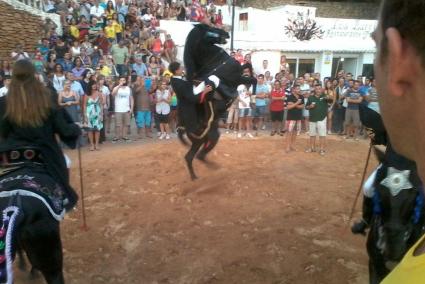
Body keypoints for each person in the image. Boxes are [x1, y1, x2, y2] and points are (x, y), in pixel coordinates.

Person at [372, 1, 425, 283]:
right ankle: (367, 220)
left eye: (374, 45)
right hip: (395, 162)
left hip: (405, 167)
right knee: (372, 187)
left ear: (397, 59)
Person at [0, 60, 81, 211]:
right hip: (44, 155)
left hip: (10, 158)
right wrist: (75, 128)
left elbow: (2, 133)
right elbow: (64, 130)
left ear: (13, 75)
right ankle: (62, 199)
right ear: (34, 75)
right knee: (63, 168)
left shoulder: (3, 102)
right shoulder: (47, 97)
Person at [168, 61, 215, 136]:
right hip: (188, 106)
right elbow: (192, 98)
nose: (182, 68)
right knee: (194, 129)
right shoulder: (179, 84)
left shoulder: (175, 79)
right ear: (176, 71)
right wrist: (204, 92)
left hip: (186, 102)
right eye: (180, 68)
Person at [305, 84, 328, 155]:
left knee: (322, 135)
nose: (318, 90)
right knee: (312, 134)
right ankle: (312, 148)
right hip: (312, 119)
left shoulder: (325, 97)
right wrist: (310, 106)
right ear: (315, 90)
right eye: (317, 89)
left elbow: (331, 99)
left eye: (319, 88)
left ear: (321, 89)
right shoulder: (310, 98)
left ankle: (322, 149)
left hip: (322, 118)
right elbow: (306, 107)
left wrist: (328, 96)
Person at [111, 76, 133, 142]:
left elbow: (131, 98)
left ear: (125, 81)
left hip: (126, 109)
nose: (122, 81)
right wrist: (119, 86)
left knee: (126, 124)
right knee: (118, 125)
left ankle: (124, 136)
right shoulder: (116, 88)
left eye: (123, 80)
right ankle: (117, 137)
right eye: (121, 80)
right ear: (119, 81)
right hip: (118, 109)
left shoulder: (128, 88)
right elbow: (113, 94)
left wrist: (131, 108)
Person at [83, 81, 103, 151]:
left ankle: (97, 144)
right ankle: (92, 145)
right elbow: (84, 105)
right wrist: (85, 115)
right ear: (90, 86)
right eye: (92, 85)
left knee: (97, 129)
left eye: (95, 84)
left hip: (97, 113)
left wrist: (101, 114)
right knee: (90, 130)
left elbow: (101, 104)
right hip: (89, 114)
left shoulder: (99, 94)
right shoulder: (86, 95)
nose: (94, 86)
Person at [285, 84, 304, 152]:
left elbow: (302, 106)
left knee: (295, 132)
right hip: (291, 117)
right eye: (297, 88)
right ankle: (287, 147)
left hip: (298, 117)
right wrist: (297, 103)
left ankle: (292, 146)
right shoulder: (290, 97)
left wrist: (294, 104)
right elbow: (288, 107)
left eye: (299, 88)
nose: (299, 90)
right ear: (293, 90)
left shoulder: (301, 96)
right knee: (289, 132)